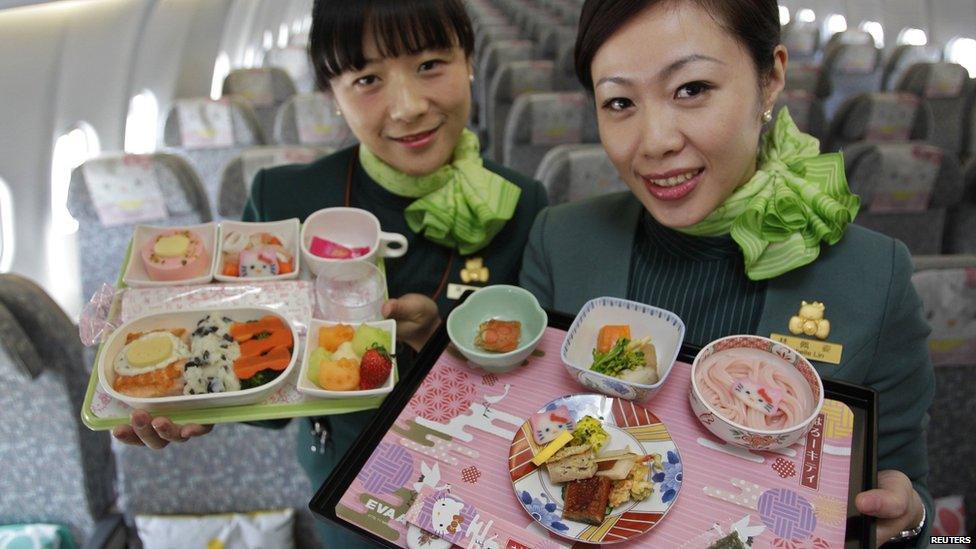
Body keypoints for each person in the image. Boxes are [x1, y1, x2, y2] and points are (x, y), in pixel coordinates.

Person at [111, 1, 547, 546]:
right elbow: (268, 392)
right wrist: (205, 401)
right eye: (367, 78)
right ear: (332, 95)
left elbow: (534, 390)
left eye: (431, 64)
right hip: (345, 485)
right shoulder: (285, 198)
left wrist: (442, 344)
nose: (408, 106)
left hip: (482, 487)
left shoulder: (523, 203)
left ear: (471, 61)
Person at [517, 0, 934, 545]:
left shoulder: (875, 277)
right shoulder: (560, 241)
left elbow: (917, 505)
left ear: (771, 77)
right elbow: (528, 450)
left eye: (691, 89)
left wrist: (912, 525)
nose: (656, 141)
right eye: (619, 102)